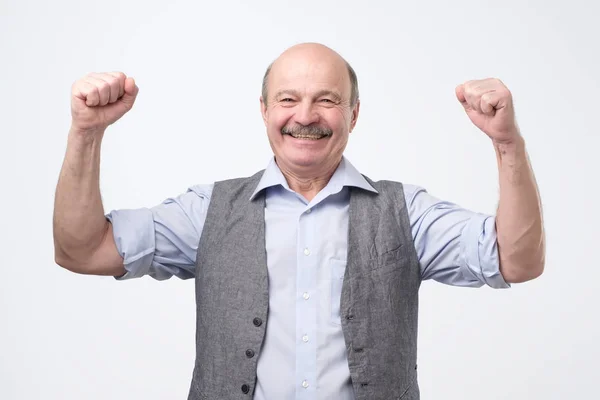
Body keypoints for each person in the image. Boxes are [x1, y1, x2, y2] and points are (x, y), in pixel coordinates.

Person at [53, 43, 545, 400]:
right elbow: (82, 250)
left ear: (354, 114)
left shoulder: (406, 213)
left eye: (327, 100)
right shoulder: (208, 212)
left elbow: (516, 260)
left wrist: (507, 145)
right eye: (288, 99)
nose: (305, 115)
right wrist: (86, 133)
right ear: (264, 110)